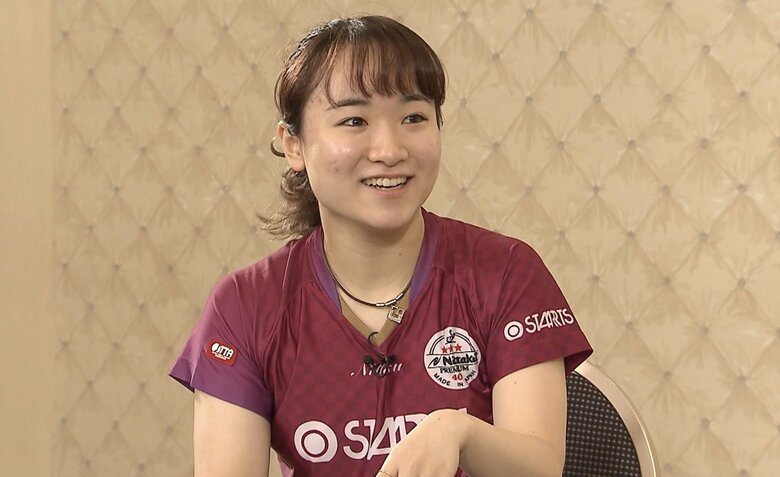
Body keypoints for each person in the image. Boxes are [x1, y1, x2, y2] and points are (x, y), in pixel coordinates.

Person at [169, 15, 592, 477]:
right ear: (293, 145)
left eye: (414, 118)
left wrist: (460, 433)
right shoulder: (246, 307)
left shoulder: (506, 272)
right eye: (354, 120)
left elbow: (540, 466)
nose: (389, 150)